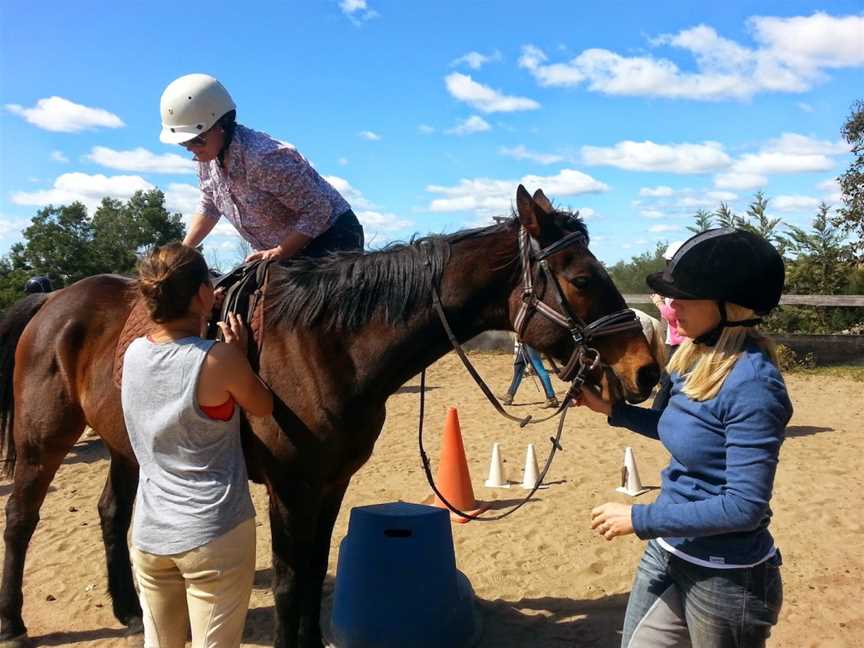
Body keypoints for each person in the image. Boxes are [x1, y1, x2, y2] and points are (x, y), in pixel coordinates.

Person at [574, 228, 793, 647]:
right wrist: (612, 411)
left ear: (731, 303)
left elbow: (744, 507)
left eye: (685, 297)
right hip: (668, 550)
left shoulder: (754, 384)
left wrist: (639, 518)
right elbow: (679, 429)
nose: (672, 309)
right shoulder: (692, 357)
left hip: (726, 574)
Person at [122, 243, 273, 647]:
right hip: (213, 533)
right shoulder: (220, 360)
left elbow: (173, 359)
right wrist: (238, 354)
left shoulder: (134, 354)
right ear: (206, 295)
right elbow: (262, 405)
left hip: (150, 534)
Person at [159, 73, 364, 262]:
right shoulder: (207, 160)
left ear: (222, 124)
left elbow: (319, 210)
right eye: (184, 143)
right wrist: (183, 253)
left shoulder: (263, 158)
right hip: (280, 251)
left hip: (333, 239)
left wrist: (281, 251)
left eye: (197, 140)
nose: (190, 149)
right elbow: (210, 205)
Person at [650, 240, 686, 410]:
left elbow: (673, 315)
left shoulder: (678, 286)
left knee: (668, 379)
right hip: (677, 340)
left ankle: (656, 412)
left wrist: (658, 303)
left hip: (680, 342)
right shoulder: (678, 283)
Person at [501, 340, 559, 408]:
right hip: (526, 342)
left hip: (530, 340)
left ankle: (551, 398)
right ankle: (509, 395)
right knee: (519, 366)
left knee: (538, 368)